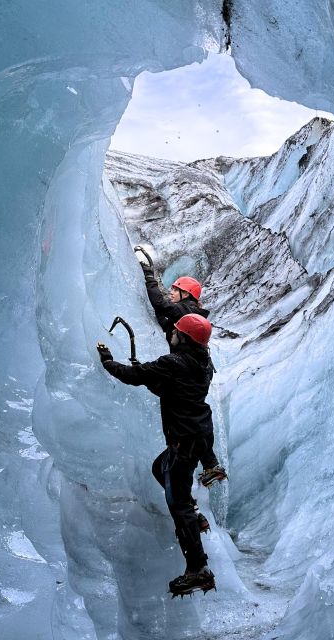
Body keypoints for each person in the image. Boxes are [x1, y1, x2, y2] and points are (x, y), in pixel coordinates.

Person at [96, 314, 217, 597]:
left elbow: (133, 377)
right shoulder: (203, 363)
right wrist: (150, 375)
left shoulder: (173, 363)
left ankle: (198, 569)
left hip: (182, 443)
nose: (171, 334)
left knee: (177, 504)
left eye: (175, 332)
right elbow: (168, 387)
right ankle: (194, 512)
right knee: (157, 468)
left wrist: (107, 361)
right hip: (198, 437)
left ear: (183, 338)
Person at [134, 246, 227, 489]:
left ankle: (189, 486)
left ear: (186, 295)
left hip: (184, 371)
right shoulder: (192, 313)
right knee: (197, 416)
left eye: (175, 290)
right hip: (199, 372)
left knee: (187, 417)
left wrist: (148, 275)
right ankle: (210, 464)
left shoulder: (186, 311)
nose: (172, 293)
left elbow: (161, 305)